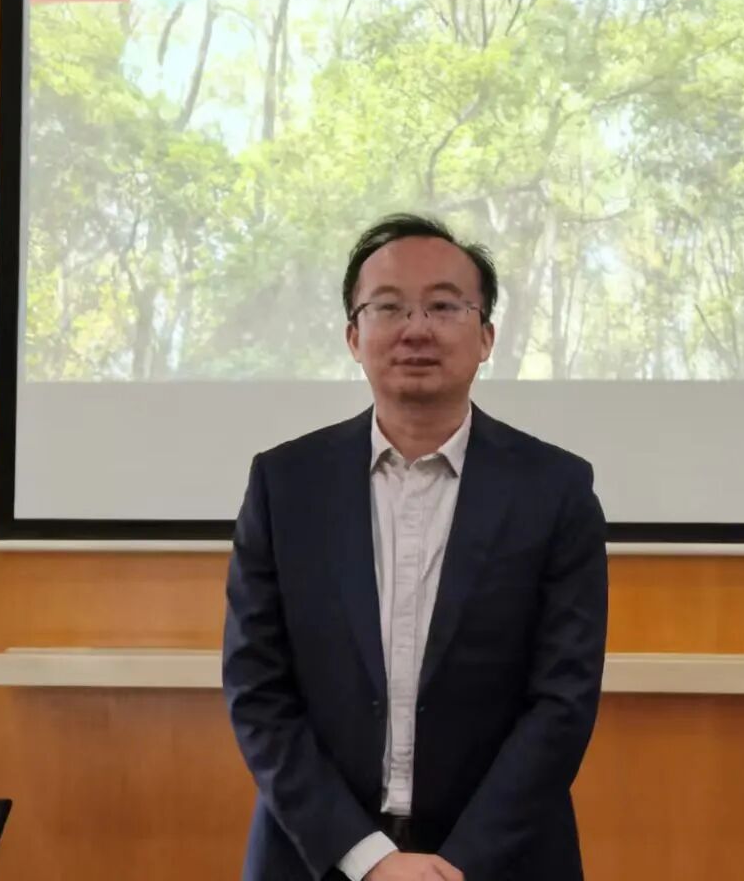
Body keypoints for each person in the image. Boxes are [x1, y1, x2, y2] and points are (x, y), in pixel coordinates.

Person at [223, 214, 609, 881]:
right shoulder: (285, 485)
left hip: (500, 861)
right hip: (317, 857)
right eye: (389, 307)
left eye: (444, 306)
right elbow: (257, 690)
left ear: (486, 337)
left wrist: (458, 864)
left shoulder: (556, 490)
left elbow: (562, 702)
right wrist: (368, 858)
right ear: (353, 336)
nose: (416, 329)